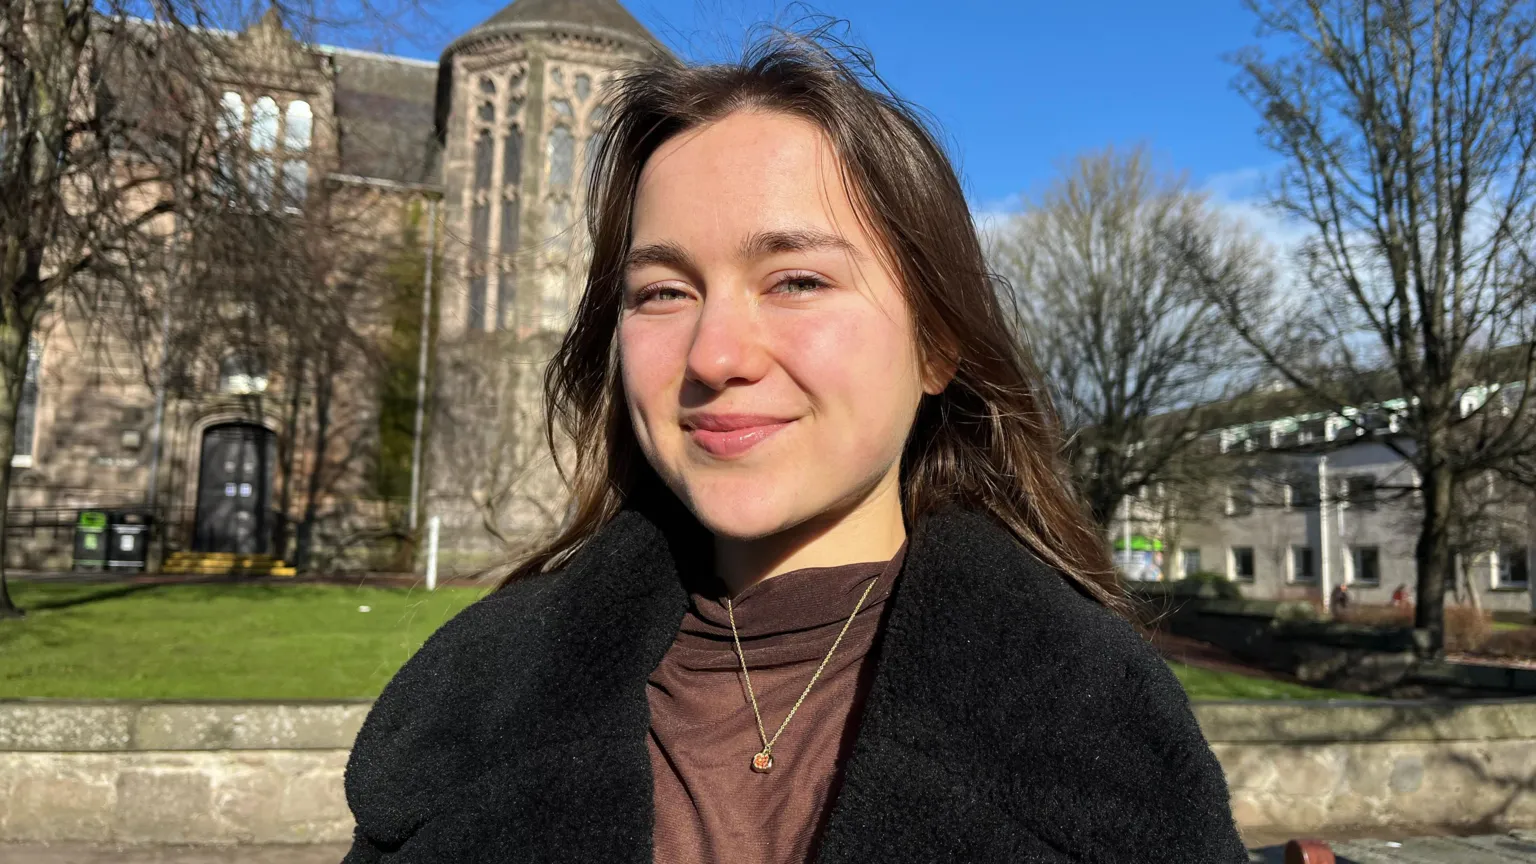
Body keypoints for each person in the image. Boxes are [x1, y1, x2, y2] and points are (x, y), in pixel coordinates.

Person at [341, 35, 1246, 864]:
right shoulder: (476, 697)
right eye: (662, 292)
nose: (715, 355)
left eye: (798, 280)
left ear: (936, 344)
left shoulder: (1095, 724)